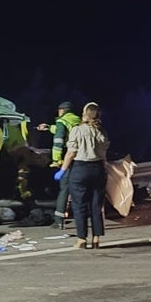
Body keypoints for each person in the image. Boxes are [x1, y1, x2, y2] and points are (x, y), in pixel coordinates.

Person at [57, 101, 109, 249]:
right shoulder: (102, 131)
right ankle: (97, 238)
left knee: (79, 205)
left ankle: (81, 239)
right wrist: (104, 169)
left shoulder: (77, 130)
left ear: (84, 114)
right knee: (96, 205)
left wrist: (62, 170)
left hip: (80, 169)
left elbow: (71, 152)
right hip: (98, 168)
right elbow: (104, 154)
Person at [38, 100, 81, 230]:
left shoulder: (62, 121)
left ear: (62, 110)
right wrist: (48, 128)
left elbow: (58, 140)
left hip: (68, 157)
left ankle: (59, 220)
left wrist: (56, 160)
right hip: (81, 157)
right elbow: (65, 131)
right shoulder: (77, 120)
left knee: (64, 188)